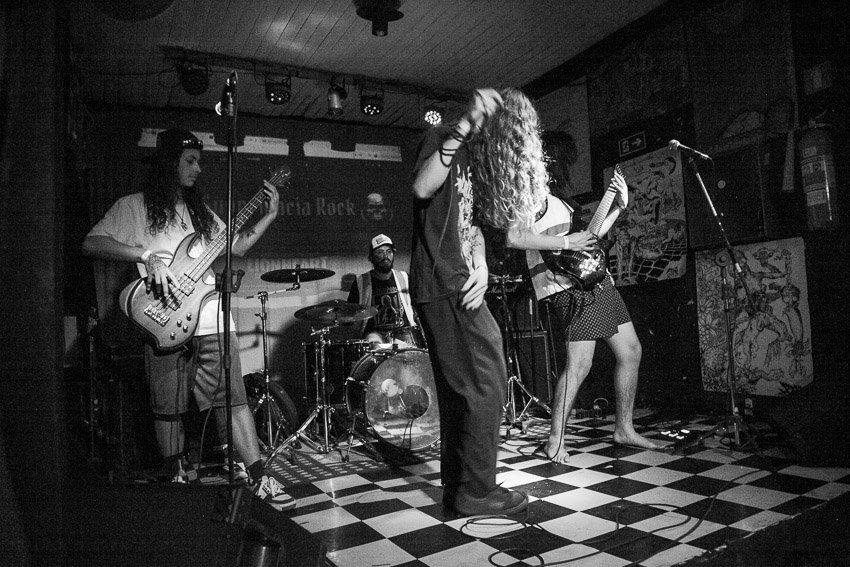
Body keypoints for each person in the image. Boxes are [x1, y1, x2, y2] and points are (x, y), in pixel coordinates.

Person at [82, 128, 294, 511]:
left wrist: (270, 215)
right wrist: (145, 256)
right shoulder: (134, 206)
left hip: (212, 320)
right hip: (163, 320)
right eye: (190, 161)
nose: (198, 169)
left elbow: (238, 246)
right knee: (168, 408)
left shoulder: (201, 213)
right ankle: (177, 477)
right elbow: (92, 242)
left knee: (234, 400)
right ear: (169, 163)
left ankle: (258, 475)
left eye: (199, 161)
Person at [410, 87, 548, 517]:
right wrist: (465, 124)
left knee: (465, 391)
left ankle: (461, 487)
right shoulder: (446, 137)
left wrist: (483, 265)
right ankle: (477, 491)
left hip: (462, 280)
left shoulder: (476, 163)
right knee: (488, 380)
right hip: (442, 281)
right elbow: (422, 186)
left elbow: (471, 227)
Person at [506, 150, 659, 464]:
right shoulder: (527, 199)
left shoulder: (560, 202)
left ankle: (624, 429)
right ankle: (555, 439)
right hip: (567, 286)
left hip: (596, 280)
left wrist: (618, 207)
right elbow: (515, 237)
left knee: (631, 351)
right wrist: (566, 243)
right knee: (580, 364)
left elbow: (589, 239)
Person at [346, 234, 421, 347]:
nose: (386, 256)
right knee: (373, 343)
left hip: (403, 333)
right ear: (371, 257)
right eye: (380, 252)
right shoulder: (360, 282)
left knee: (407, 347)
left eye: (389, 251)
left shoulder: (405, 277)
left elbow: (418, 307)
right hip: (374, 334)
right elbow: (350, 315)